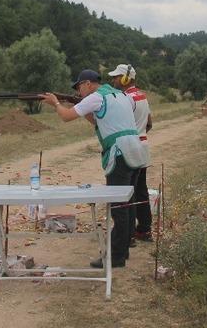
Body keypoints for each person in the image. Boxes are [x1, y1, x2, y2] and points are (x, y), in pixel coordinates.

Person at [41, 69, 149, 268]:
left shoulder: (96, 97)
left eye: (79, 87)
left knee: (118, 208)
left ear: (88, 84)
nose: (79, 91)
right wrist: (80, 107)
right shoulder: (120, 95)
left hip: (120, 154)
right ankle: (122, 252)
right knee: (128, 203)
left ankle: (115, 257)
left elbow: (65, 117)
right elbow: (99, 120)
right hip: (136, 151)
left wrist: (56, 103)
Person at [108, 64, 154, 243]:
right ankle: (144, 229)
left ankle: (128, 235)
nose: (113, 80)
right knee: (140, 190)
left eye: (116, 77)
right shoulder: (142, 96)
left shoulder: (125, 98)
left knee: (128, 191)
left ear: (125, 79)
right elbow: (149, 124)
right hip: (143, 147)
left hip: (129, 149)